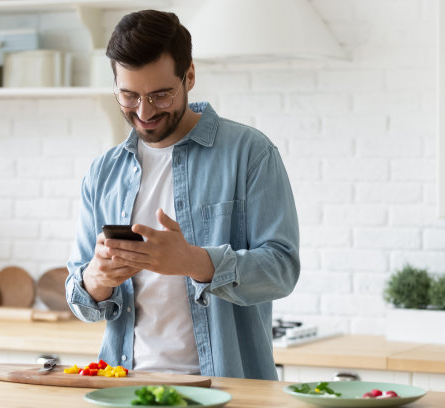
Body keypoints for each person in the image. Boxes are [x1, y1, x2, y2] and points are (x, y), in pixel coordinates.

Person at [66, 9, 300, 380]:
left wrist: (194, 261)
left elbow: (282, 270)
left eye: (160, 95)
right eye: (128, 95)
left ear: (189, 76)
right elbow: (81, 297)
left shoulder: (249, 153)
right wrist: (98, 277)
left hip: (225, 388)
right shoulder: (103, 172)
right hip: (126, 385)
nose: (143, 112)